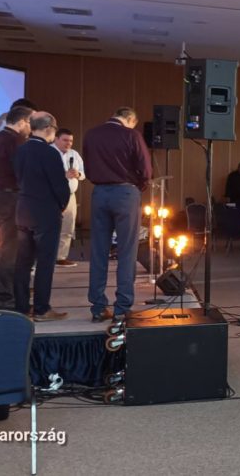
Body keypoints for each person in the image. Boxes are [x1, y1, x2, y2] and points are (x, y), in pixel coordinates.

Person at [82, 107, 152, 323]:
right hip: (125, 193)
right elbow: (146, 169)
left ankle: (98, 307)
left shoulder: (91, 134)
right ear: (130, 119)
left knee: (99, 251)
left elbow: (88, 166)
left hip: (99, 193)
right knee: (127, 251)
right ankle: (122, 308)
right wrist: (138, 186)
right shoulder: (132, 135)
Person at [12, 112, 70, 321]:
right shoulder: (50, 153)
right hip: (45, 212)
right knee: (45, 263)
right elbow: (60, 186)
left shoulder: (20, 150)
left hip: (23, 211)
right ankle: (41, 309)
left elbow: (17, 178)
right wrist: (61, 206)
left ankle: (21, 308)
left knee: (23, 263)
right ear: (48, 129)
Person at [0, 105, 32, 310]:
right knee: (9, 250)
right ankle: (6, 299)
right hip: (9, 197)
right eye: (30, 123)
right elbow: (22, 171)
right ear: (22, 122)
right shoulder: (15, 141)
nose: (30, 128)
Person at [53, 128, 84, 267]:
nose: (68, 143)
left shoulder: (74, 154)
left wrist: (78, 174)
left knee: (67, 226)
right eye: (65, 140)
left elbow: (84, 173)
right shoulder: (49, 152)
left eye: (71, 141)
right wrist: (63, 175)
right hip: (52, 195)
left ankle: (60, 257)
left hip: (70, 195)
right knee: (50, 226)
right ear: (56, 139)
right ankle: (45, 256)